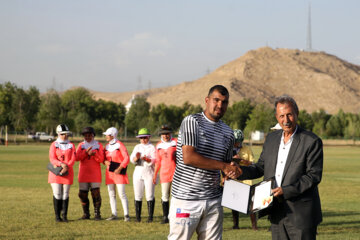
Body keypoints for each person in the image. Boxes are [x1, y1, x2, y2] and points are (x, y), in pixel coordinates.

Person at [237, 95, 323, 240]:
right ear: (277, 117)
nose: (286, 120)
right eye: (282, 116)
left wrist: (286, 190)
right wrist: (239, 172)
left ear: (297, 113)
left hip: (301, 215)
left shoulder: (311, 141)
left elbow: (313, 176)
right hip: (275, 212)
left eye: (289, 114)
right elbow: (260, 167)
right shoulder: (271, 139)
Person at [168, 85, 242, 240]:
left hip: (213, 200)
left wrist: (232, 169)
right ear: (207, 100)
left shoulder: (228, 133)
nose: (220, 105)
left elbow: (225, 164)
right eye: (216, 100)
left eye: (225, 102)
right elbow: (189, 157)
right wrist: (224, 166)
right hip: (186, 199)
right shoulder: (192, 121)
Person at [48, 124, 76, 222]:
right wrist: (61, 164)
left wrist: (67, 167)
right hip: (56, 173)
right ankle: (57, 216)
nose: (65, 136)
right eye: (63, 134)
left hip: (68, 172)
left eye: (66, 134)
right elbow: (52, 158)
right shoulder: (54, 144)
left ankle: (64, 216)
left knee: (65, 194)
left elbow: (73, 158)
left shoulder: (71, 145)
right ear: (59, 134)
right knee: (57, 193)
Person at [75, 127, 104, 220]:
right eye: (85, 135)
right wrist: (86, 153)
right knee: (82, 194)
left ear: (93, 135)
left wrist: (94, 154)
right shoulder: (81, 145)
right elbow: (76, 158)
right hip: (83, 173)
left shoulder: (98, 145)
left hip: (95, 173)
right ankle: (86, 214)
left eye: (89, 135)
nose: (87, 137)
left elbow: (102, 159)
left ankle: (97, 214)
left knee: (95, 193)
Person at [231, 129, 257, 230]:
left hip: (246, 180)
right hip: (233, 179)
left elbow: (253, 164)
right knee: (233, 203)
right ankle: (235, 225)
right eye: (236, 141)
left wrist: (241, 161)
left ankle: (254, 226)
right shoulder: (228, 149)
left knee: (250, 204)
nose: (237, 143)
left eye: (239, 141)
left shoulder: (247, 149)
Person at [103, 127, 130, 222]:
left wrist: (120, 168)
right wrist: (104, 161)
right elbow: (103, 158)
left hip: (119, 173)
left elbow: (127, 158)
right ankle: (114, 214)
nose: (106, 136)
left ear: (112, 135)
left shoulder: (120, 145)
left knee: (121, 194)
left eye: (107, 135)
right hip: (109, 173)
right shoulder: (106, 146)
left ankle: (126, 215)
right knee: (111, 194)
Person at [130, 128, 156, 223]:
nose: (143, 140)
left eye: (145, 137)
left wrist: (147, 159)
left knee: (149, 195)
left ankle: (150, 217)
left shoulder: (152, 147)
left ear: (148, 137)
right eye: (141, 138)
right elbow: (132, 159)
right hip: (138, 171)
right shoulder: (137, 147)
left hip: (148, 172)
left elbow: (154, 160)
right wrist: (136, 158)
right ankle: (138, 217)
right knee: (138, 194)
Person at [152, 125, 177, 224]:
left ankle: (175, 215)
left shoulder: (176, 142)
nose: (165, 136)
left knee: (176, 196)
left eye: (167, 133)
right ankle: (165, 217)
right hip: (164, 174)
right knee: (165, 196)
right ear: (161, 135)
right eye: (163, 134)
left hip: (176, 173)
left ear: (170, 133)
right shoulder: (158, 145)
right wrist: (155, 175)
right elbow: (158, 161)